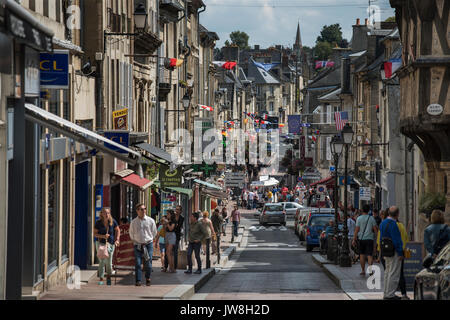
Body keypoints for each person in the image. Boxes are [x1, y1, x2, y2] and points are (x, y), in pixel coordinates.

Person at [129, 203, 157, 286]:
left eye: (145, 209)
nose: (144, 210)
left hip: (148, 244)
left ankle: (148, 277)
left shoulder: (151, 221)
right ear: (137, 211)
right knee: (138, 263)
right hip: (137, 244)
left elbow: (154, 232)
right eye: (141, 209)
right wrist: (135, 241)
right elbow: (131, 233)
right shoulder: (133, 222)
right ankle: (138, 280)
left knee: (148, 262)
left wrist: (150, 239)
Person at [379, 206, 404, 300]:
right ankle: (390, 294)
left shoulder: (383, 223)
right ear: (397, 214)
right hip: (394, 251)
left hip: (385, 250)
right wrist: (400, 252)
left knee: (387, 272)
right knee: (394, 273)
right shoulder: (394, 224)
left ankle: (386, 292)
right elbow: (396, 240)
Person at [94, 208, 120, 285]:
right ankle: (101, 278)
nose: (107, 214)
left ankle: (108, 277)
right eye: (105, 213)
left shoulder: (112, 222)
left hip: (110, 244)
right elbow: (95, 234)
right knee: (101, 261)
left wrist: (117, 239)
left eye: (108, 213)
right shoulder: (98, 223)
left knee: (109, 262)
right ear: (101, 214)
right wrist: (103, 236)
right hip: (100, 244)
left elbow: (118, 230)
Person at [352, 204, 378, 276]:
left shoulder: (359, 218)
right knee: (370, 255)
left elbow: (356, 230)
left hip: (361, 239)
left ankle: (363, 270)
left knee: (362, 255)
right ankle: (370, 270)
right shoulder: (371, 218)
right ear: (369, 210)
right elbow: (375, 230)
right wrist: (377, 238)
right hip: (370, 239)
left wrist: (354, 239)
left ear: (362, 210)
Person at [167, 205, 184, 271]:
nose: (176, 211)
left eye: (178, 209)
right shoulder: (172, 216)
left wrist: (173, 225)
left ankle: (174, 267)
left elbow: (178, 226)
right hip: (170, 235)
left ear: (180, 211)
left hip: (176, 236)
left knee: (175, 252)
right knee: (169, 252)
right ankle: (168, 266)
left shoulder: (182, 218)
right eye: (176, 209)